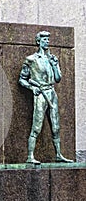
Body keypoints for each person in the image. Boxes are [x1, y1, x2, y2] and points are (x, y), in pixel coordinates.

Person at [18, 31, 73, 164]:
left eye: (48, 39)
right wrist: (33, 88)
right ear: (38, 41)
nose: (47, 41)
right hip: (41, 94)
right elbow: (22, 79)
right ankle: (30, 156)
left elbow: (58, 78)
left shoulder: (52, 58)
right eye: (44, 39)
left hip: (52, 93)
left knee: (56, 126)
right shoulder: (31, 59)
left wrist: (55, 65)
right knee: (37, 126)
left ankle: (58, 154)